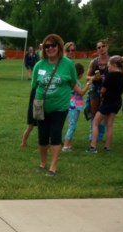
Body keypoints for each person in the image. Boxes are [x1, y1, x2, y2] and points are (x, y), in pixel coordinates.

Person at [30, 34, 87, 176]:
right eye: (47, 46)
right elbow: (34, 85)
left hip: (60, 106)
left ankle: (53, 166)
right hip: (40, 104)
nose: (50, 48)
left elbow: (73, 82)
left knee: (55, 134)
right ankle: (43, 163)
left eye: (53, 45)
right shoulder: (39, 65)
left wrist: (82, 91)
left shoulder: (67, 64)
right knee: (42, 136)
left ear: (59, 47)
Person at [87, 55, 123, 152]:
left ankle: (93, 147)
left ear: (113, 65)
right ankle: (107, 147)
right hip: (117, 102)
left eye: (109, 66)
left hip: (107, 103)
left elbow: (103, 90)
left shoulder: (110, 76)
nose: (108, 68)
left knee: (95, 122)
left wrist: (102, 92)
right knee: (109, 125)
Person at [86, 40, 110, 147]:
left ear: (107, 47)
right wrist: (94, 77)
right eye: (99, 47)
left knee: (105, 114)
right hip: (95, 89)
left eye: (103, 46)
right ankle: (93, 135)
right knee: (94, 113)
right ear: (97, 50)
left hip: (108, 91)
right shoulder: (94, 62)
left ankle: (100, 134)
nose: (101, 49)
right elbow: (87, 76)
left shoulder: (112, 61)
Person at [62, 63, 87, 151]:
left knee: (72, 125)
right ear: (80, 73)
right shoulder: (74, 81)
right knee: (72, 126)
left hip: (75, 105)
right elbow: (81, 92)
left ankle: (69, 145)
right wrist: (88, 85)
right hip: (74, 105)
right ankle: (65, 146)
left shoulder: (73, 80)